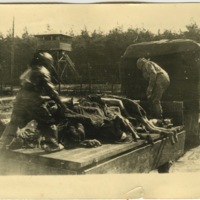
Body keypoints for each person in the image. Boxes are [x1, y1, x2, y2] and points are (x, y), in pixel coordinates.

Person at [0, 52, 66, 152]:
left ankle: (3, 144)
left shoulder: (30, 70)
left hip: (20, 100)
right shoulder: (43, 71)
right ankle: (51, 145)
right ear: (47, 62)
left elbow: (24, 82)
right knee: (47, 121)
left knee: (14, 122)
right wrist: (60, 103)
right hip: (33, 102)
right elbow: (50, 90)